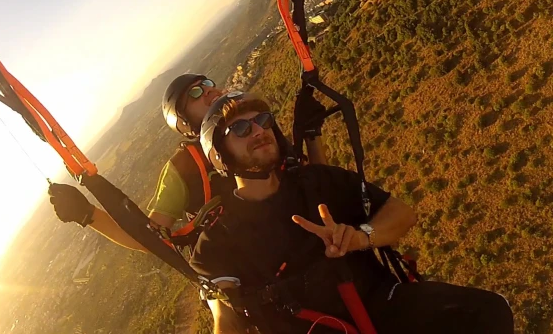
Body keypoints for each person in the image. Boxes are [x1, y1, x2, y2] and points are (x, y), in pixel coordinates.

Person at [189, 92, 515, 334]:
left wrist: (361, 237)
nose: (258, 131)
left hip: (383, 304)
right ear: (219, 155)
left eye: (262, 121)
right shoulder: (218, 241)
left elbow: (401, 213)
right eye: (242, 129)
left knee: (488, 312)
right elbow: (225, 319)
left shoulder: (316, 181)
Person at [48, 74, 329, 253]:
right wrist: (89, 215)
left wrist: (313, 135)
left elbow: (314, 183)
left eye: (207, 84)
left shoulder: (256, 127)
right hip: (255, 267)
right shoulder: (184, 169)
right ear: (184, 124)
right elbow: (151, 239)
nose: (208, 91)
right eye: (195, 94)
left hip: (316, 237)